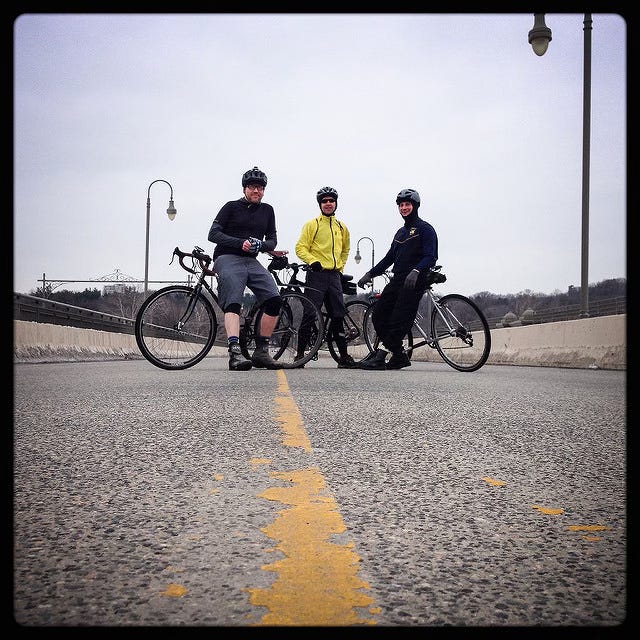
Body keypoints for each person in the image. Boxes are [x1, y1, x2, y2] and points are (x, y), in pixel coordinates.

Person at [208, 166, 286, 371]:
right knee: (234, 302)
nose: (256, 191)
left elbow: (272, 240)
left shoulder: (267, 210)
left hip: (251, 261)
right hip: (227, 257)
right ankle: (235, 353)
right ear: (244, 189)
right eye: (252, 187)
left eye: (260, 188)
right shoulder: (231, 207)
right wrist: (239, 243)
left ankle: (261, 352)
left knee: (275, 300)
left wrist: (262, 245)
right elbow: (213, 234)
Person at [356, 188, 438, 370]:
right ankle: (399, 356)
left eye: (407, 204)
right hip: (398, 279)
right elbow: (389, 258)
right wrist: (370, 273)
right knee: (378, 314)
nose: (404, 208)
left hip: (415, 280)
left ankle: (381, 356)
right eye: (401, 205)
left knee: (399, 318)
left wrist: (416, 270)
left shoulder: (425, 229)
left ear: (415, 206)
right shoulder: (400, 233)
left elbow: (431, 256)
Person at [294, 186, 356, 368]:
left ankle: (343, 357)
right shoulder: (312, 224)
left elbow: (345, 250)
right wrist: (312, 260)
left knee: (338, 315)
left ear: (336, 203)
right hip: (316, 275)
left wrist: (340, 269)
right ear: (320, 204)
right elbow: (300, 247)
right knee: (309, 314)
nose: (328, 204)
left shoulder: (341, 227)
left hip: (334, 276)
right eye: (324, 201)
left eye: (331, 201)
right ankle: (300, 355)